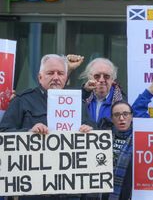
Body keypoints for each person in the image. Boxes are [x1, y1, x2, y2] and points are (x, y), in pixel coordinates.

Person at [0, 54, 94, 200]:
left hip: (69, 190)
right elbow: (3, 134)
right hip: (32, 190)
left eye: (60, 73)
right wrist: (29, 133)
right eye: (50, 73)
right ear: (40, 77)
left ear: (66, 78)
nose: (56, 77)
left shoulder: (77, 104)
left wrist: (88, 132)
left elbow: (94, 140)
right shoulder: (22, 100)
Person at [85, 101, 133, 200]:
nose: (121, 118)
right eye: (117, 115)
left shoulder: (140, 138)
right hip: (103, 194)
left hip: (128, 194)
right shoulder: (101, 137)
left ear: (131, 116)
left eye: (125, 114)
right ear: (112, 118)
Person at [79, 57, 125, 125]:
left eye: (106, 76)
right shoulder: (80, 98)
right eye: (97, 76)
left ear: (113, 79)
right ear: (89, 77)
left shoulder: (122, 101)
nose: (101, 80)